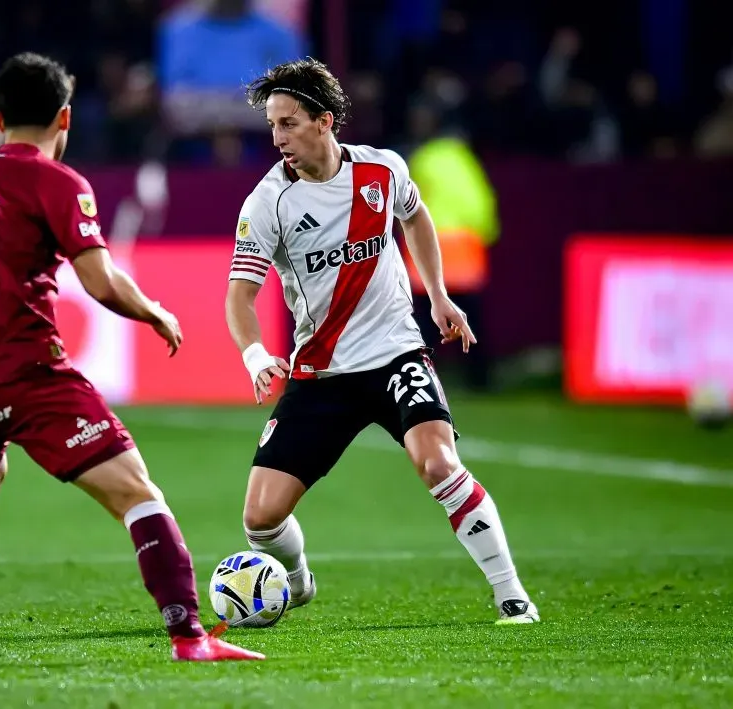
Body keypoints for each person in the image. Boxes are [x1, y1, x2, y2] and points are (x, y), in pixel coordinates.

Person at [0, 52, 263, 663]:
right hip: (24, 371)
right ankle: (189, 636)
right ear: (64, 118)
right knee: (136, 492)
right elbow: (100, 281)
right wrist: (153, 310)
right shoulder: (58, 182)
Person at [225, 58, 538, 624]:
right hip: (322, 375)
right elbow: (239, 297)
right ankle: (296, 579)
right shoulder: (268, 202)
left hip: (396, 356)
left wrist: (438, 295)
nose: (277, 138)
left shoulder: (382, 170)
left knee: (438, 464)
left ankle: (511, 593)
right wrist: (254, 355)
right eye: (272, 125)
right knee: (260, 520)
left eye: (288, 123)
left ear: (324, 120)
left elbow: (416, 218)